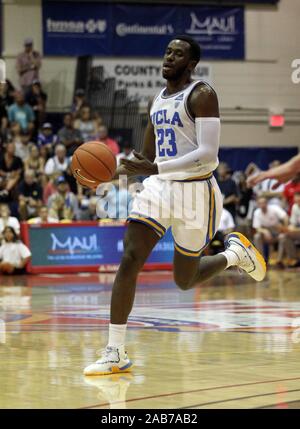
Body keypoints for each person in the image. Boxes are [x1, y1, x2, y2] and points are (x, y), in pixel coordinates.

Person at [83, 36, 266, 376]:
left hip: (196, 193)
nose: (169, 57)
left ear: (191, 63)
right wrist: (107, 175)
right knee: (130, 257)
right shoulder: (157, 100)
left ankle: (233, 255)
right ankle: (115, 351)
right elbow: (145, 159)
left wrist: (153, 169)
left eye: (178, 54)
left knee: (185, 280)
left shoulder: (202, 95)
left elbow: (208, 156)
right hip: (160, 188)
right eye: (167, 51)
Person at [252, 196, 289, 261]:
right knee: (256, 237)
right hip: (266, 232)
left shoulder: (274, 208)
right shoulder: (257, 212)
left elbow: (285, 217)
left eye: (264, 203)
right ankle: (261, 259)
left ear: (267, 203)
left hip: (277, 230)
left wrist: (285, 229)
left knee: (283, 237)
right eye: (260, 203)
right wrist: (265, 231)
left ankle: (279, 260)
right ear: (258, 205)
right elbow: (257, 228)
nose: (262, 205)